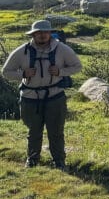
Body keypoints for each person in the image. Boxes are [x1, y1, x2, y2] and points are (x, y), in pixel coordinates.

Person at [2, 19, 81, 170]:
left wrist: (61, 72)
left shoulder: (62, 49)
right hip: (30, 98)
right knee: (33, 131)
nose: (42, 35)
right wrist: (23, 74)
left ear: (50, 33)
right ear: (33, 35)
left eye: (45, 32)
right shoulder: (21, 51)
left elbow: (77, 66)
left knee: (56, 132)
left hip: (55, 96)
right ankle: (32, 159)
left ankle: (59, 161)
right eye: (39, 33)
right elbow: (6, 72)